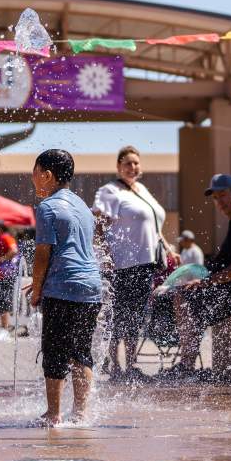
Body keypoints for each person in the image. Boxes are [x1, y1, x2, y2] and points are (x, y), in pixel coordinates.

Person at [26, 149, 102, 426]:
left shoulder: (47, 207)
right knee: (81, 351)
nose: (32, 179)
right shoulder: (82, 206)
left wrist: (36, 290)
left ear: (47, 175)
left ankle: (53, 414)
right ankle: (80, 414)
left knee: (55, 350)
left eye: (35, 173)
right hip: (91, 287)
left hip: (63, 287)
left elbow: (43, 254)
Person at [166, 174, 231, 380]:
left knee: (184, 298)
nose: (220, 202)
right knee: (186, 294)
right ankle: (188, 363)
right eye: (216, 198)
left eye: (224, 195)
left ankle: (187, 366)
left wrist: (206, 282)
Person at [93, 146, 172, 381]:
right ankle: (115, 367)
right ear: (118, 167)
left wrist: (168, 248)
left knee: (136, 316)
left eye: (136, 163)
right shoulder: (110, 191)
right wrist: (106, 254)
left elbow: (154, 225)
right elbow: (97, 225)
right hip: (122, 264)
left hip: (145, 263)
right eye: (128, 163)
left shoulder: (142, 190)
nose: (133, 167)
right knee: (118, 316)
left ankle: (131, 367)